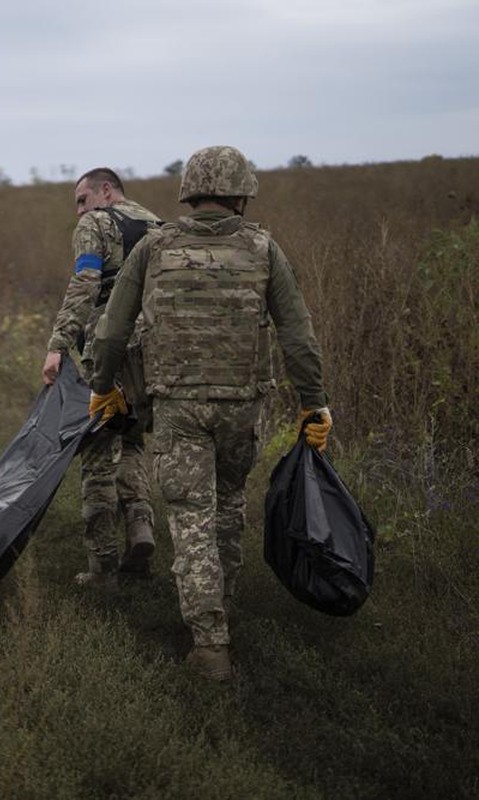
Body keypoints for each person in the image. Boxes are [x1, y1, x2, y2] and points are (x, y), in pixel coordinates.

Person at [87, 146, 331, 681]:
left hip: (176, 406)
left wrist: (102, 387)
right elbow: (298, 334)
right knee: (227, 506)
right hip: (243, 406)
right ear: (242, 194)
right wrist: (315, 402)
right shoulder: (264, 249)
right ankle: (223, 611)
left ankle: (209, 642)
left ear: (189, 193)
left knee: (189, 514)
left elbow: (110, 330)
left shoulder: (153, 247)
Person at [41, 168, 161, 590]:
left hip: (108, 351)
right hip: (154, 357)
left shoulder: (96, 224)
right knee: (130, 440)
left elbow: (85, 283)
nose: (79, 212)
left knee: (95, 448)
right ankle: (142, 533)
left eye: (81, 199)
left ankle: (102, 567)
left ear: (105, 191)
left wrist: (58, 344)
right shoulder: (157, 226)